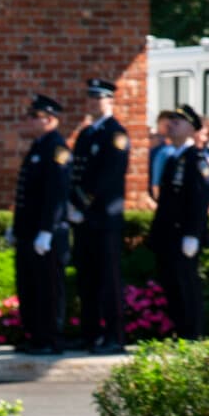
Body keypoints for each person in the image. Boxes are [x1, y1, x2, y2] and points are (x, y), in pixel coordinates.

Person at [68, 78, 129, 354]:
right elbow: (76, 173)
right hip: (84, 220)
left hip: (104, 218)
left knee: (108, 279)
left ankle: (114, 336)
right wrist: (72, 204)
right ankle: (90, 333)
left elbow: (109, 176)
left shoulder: (115, 133)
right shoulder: (86, 134)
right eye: (90, 98)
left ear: (110, 101)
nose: (93, 103)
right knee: (87, 279)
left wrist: (82, 204)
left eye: (99, 98)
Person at [147, 105, 209, 340]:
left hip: (184, 235)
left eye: (178, 122)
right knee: (172, 285)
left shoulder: (195, 159)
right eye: (171, 121)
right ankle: (180, 332)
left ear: (192, 130)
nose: (172, 125)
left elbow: (199, 198)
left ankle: (192, 335)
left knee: (187, 286)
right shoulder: (173, 157)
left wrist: (193, 233)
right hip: (169, 235)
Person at [13, 94, 72, 355]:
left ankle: (51, 338)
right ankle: (36, 336)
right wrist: (16, 227)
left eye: (34, 116)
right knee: (30, 286)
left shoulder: (56, 148)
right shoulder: (38, 146)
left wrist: (48, 229)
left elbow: (56, 194)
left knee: (49, 288)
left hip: (47, 233)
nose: (29, 120)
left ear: (49, 119)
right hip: (30, 231)